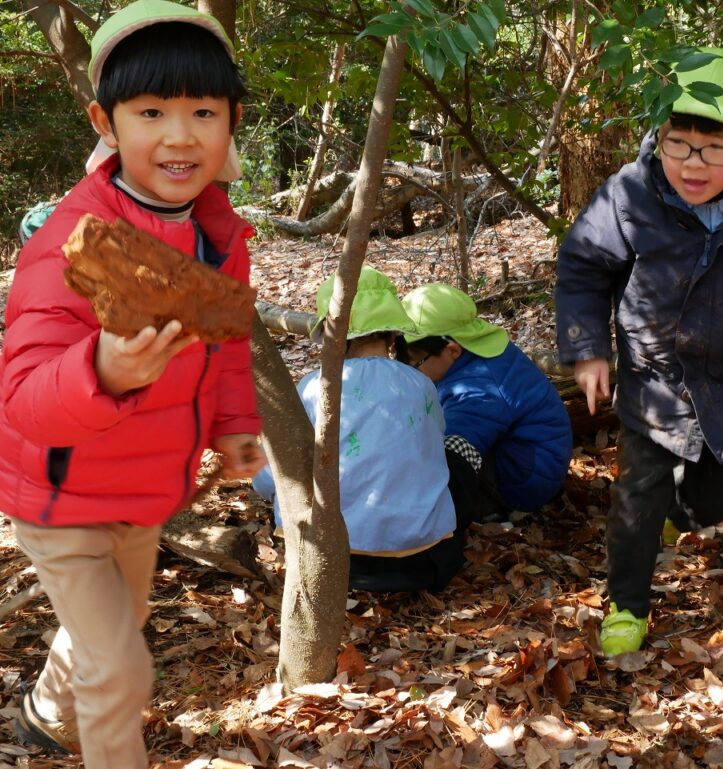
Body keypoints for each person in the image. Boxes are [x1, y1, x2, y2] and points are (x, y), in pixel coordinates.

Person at [0, 2, 265, 767]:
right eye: (151, 112)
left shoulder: (217, 233)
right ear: (106, 123)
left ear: (231, 121)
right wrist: (101, 372)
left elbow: (225, 344)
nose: (179, 136)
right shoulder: (70, 241)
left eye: (202, 112)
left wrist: (233, 423)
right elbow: (22, 396)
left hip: (143, 490)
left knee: (116, 624)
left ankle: (48, 712)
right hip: (60, 495)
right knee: (120, 670)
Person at [555, 48, 723, 656]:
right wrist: (588, 348)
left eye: (713, 149)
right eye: (677, 144)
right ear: (660, 135)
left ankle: (680, 515)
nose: (692, 163)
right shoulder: (630, 194)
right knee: (637, 495)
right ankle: (627, 606)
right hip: (654, 379)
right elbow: (583, 267)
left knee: (715, 500)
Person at [253, 266, 470, 593]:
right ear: (393, 335)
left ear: (331, 332)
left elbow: (274, 474)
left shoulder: (314, 386)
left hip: (333, 559)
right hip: (424, 558)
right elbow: (433, 446)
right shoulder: (422, 385)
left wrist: (264, 487)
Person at [399, 283, 573, 521]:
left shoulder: (476, 389)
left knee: (443, 471)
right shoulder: (479, 352)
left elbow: (456, 453)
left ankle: (494, 508)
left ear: (452, 350)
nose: (411, 369)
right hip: (532, 457)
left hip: (525, 478)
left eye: (415, 362)